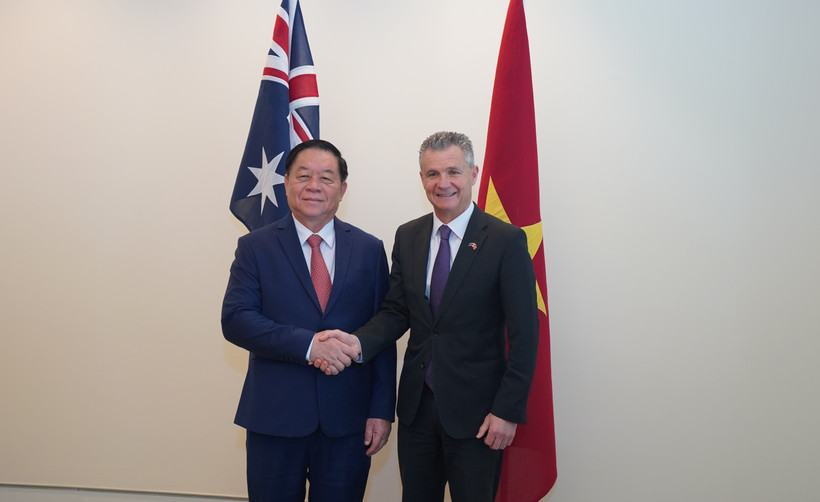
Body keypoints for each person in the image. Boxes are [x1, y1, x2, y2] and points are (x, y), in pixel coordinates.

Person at [316, 131, 539, 502]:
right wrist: (355, 343)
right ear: (422, 180)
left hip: (480, 415)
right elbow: (396, 312)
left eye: (453, 171)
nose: (443, 183)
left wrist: (507, 410)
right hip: (418, 410)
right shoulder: (409, 236)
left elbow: (525, 334)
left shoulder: (505, 241)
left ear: (473, 174)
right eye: (432, 174)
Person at [221, 139, 397, 502]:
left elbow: (383, 330)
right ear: (285, 182)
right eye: (303, 175)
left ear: (342, 189)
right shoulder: (255, 247)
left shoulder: (369, 248)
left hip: (348, 421)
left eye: (326, 178)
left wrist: (382, 411)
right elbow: (236, 319)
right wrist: (309, 345)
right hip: (275, 418)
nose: (314, 186)